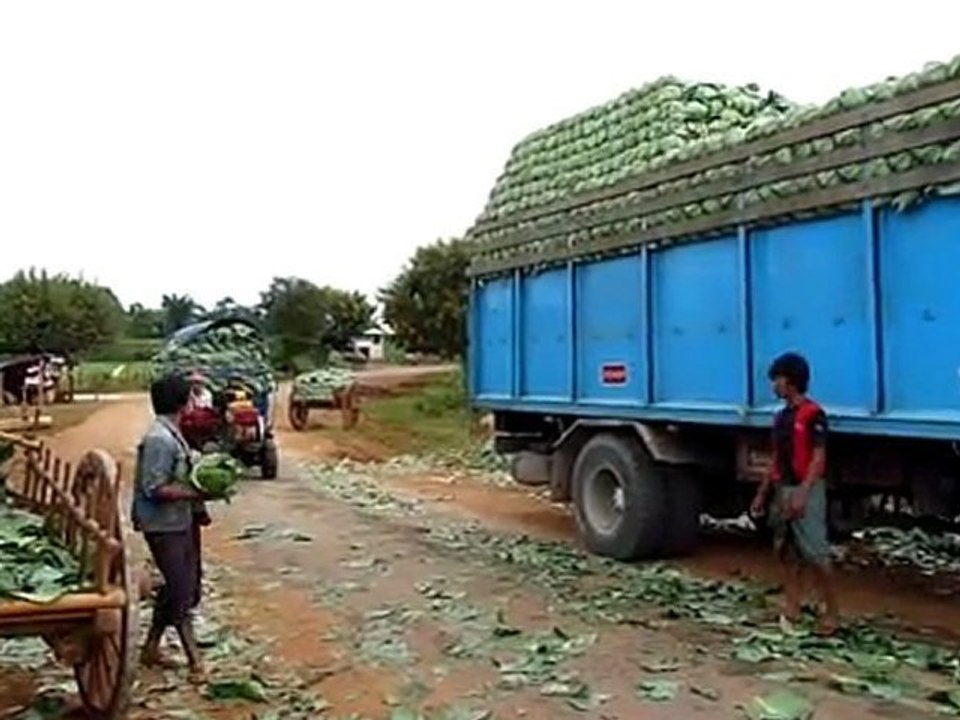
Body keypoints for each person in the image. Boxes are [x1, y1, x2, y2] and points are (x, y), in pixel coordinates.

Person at [750, 352, 839, 636]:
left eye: (776, 380)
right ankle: (793, 605)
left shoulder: (814, 415)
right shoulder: (781, 418)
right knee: (786, 550)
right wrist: (762, 493)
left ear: (789, 382)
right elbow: (776, 458)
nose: (774, 386)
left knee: (816, 552)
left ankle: (832, 612)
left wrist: (803, 492)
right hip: (784, 488)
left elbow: (818, 458)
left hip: (805, 490)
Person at [132, 372, 211, 681]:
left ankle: (151, 647)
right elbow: (154, 487)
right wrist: (197, 493)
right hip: (163, 525)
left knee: (186, 586)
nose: (195, 401)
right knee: (180, 590)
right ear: (183, 402)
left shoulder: (172, 433)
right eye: (191, 396)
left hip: (181, 520)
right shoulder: (159, 440)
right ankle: (195, 661)